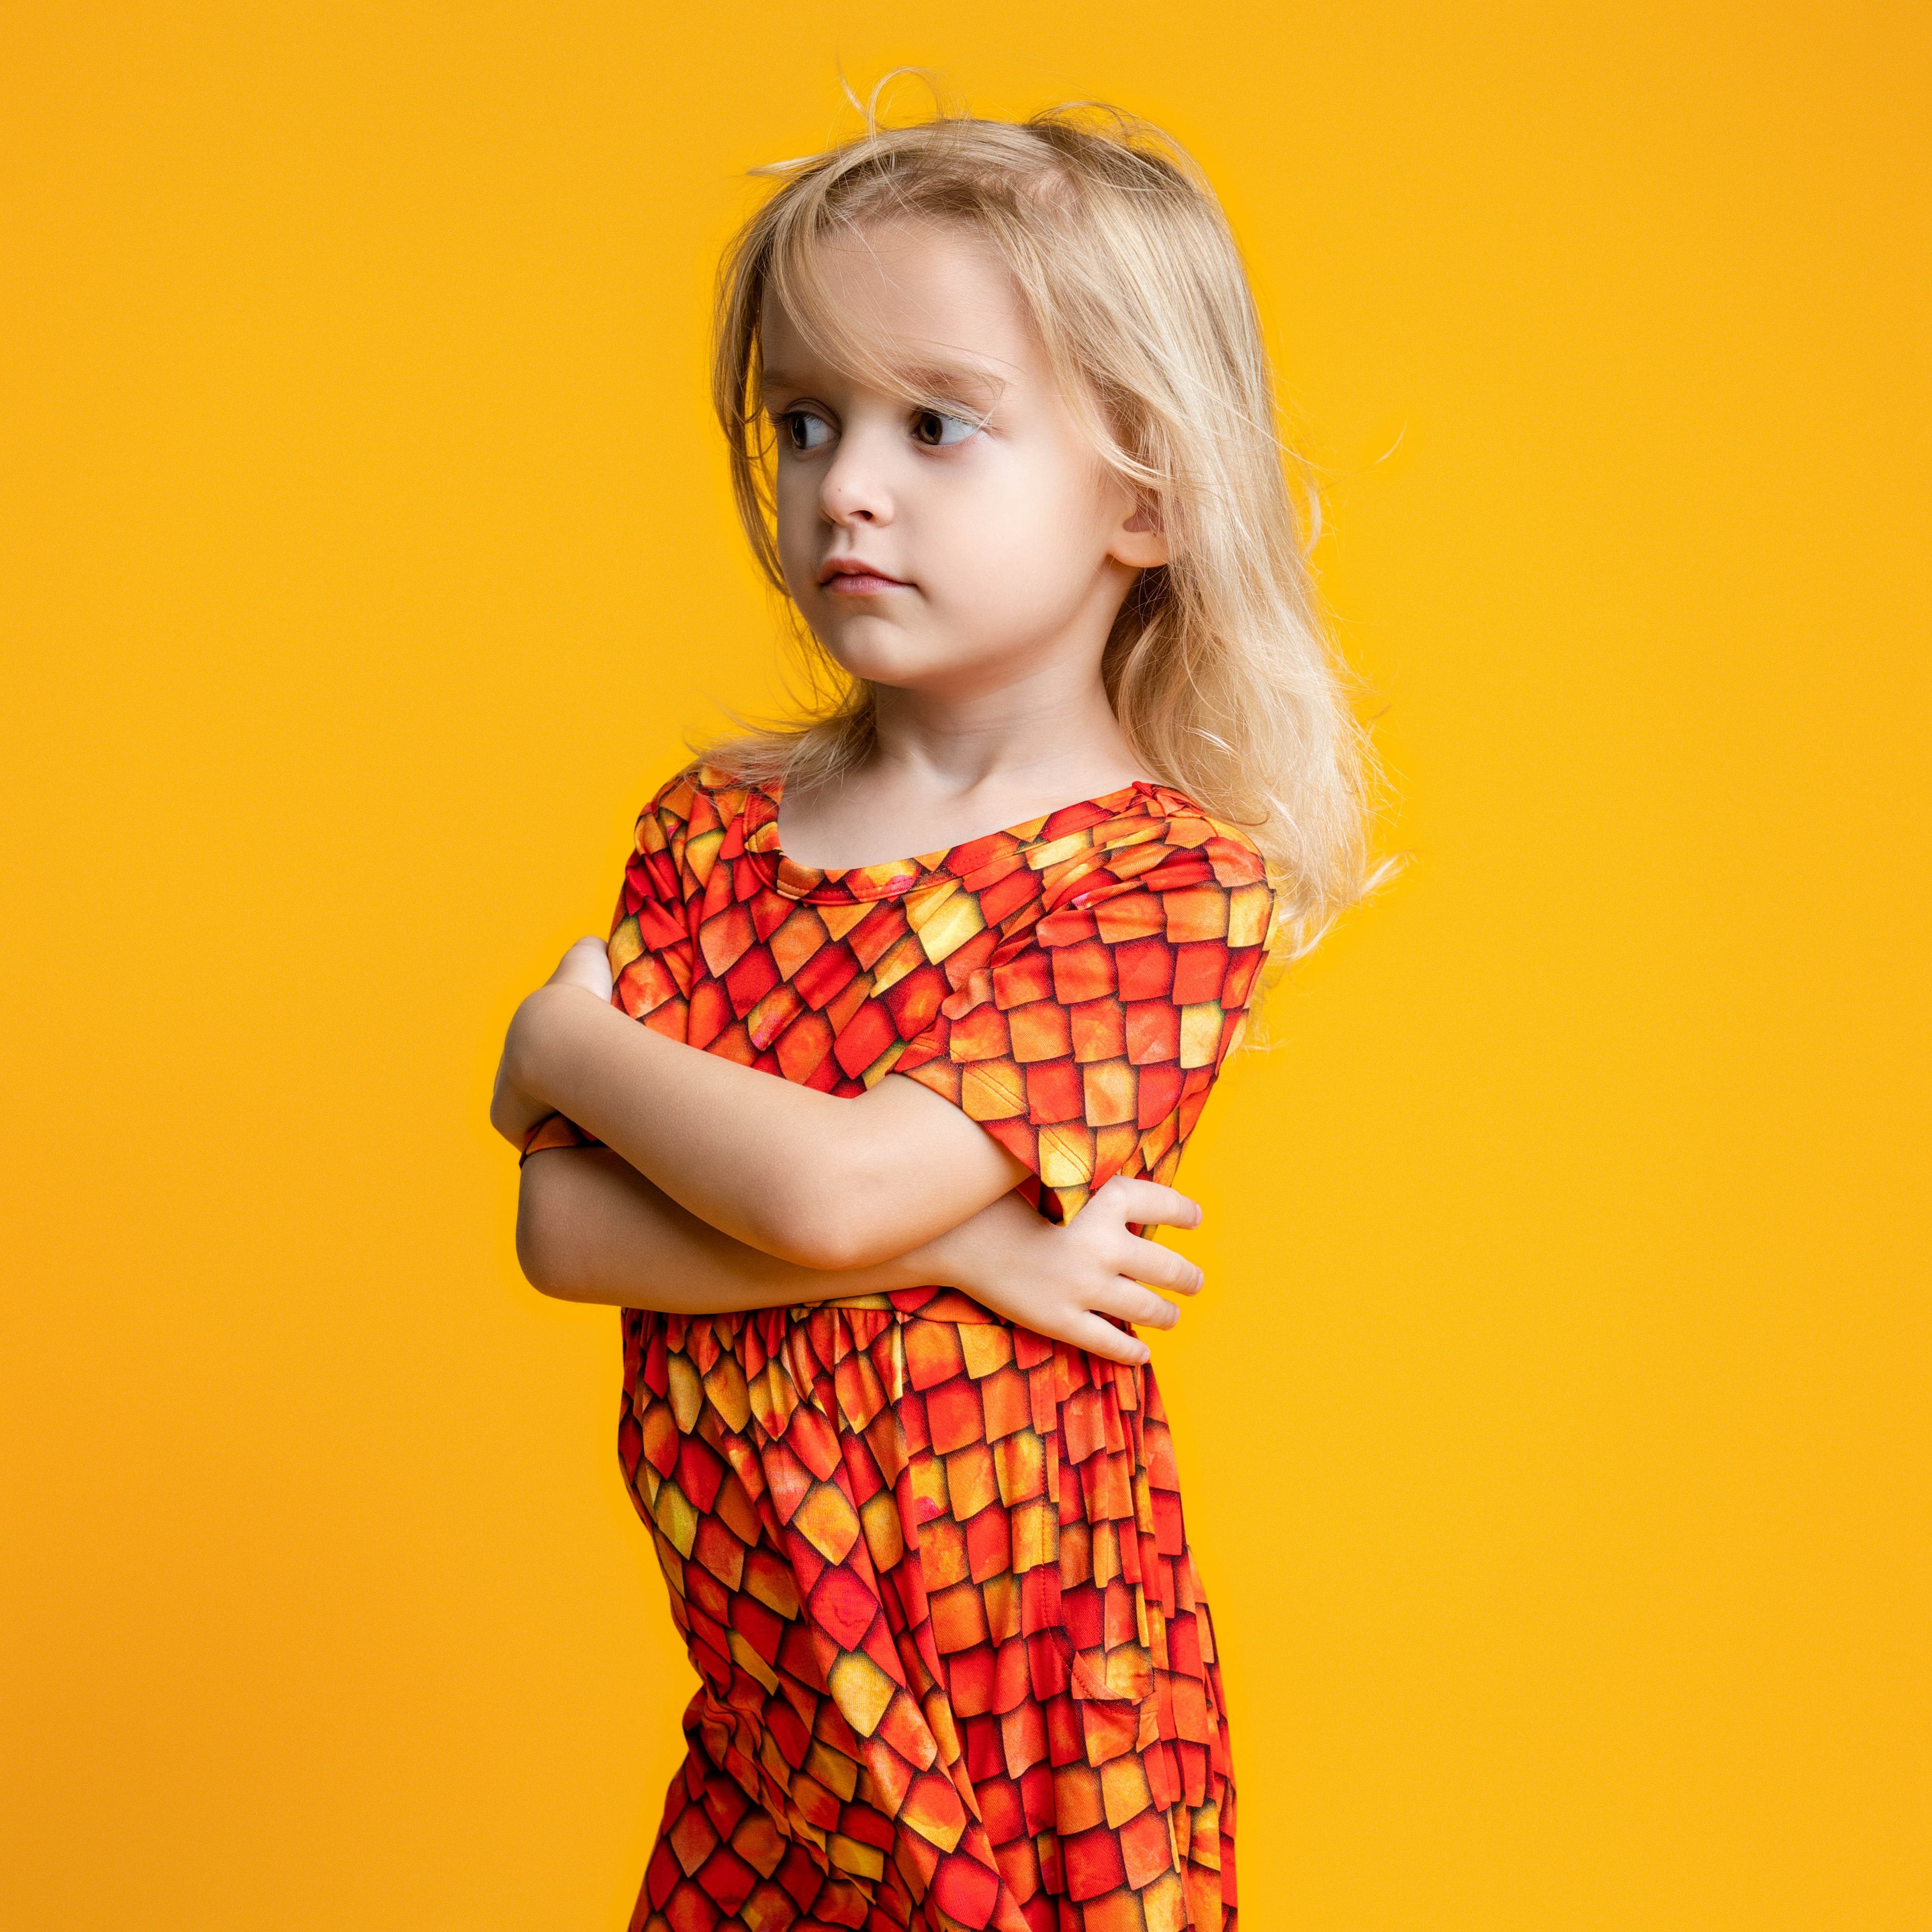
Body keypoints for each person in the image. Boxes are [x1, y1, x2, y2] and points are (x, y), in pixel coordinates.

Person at [490, 104, 1381, 1932]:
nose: (846, 488)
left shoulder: (1153, 882)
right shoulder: (713, 833)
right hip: (770, 1693)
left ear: (1144, 494)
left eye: (935, 424)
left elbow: (821, 1197)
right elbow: (566, 1230)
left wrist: (563, 1047)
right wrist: (979, 1245)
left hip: (1021, 1696)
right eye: (806, 421)